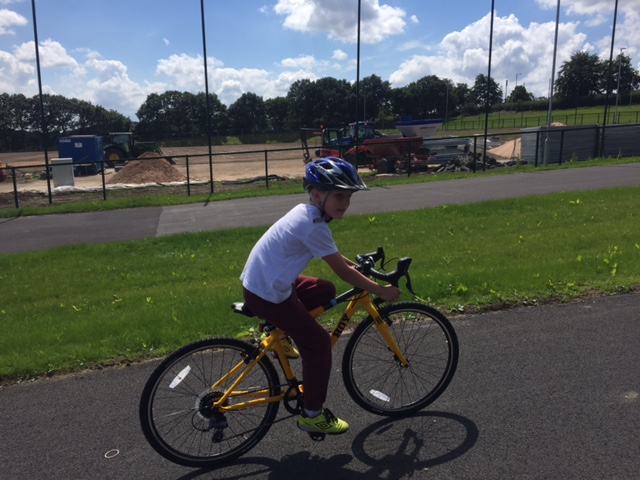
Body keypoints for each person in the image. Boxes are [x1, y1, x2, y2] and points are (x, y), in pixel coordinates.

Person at [240, 157, 402, 435]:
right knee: (318, 344)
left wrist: (356, 265)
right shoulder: (314, 225)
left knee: (324, 289)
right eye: (339, 195)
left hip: (263, 283)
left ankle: (278, 329)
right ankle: (312, 414)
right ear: (317, 194)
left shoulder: (306, 213)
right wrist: (381, 291)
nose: (345, 203)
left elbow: (336, 258)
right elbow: (344, 273)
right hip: (269, 294)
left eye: (349, 196)